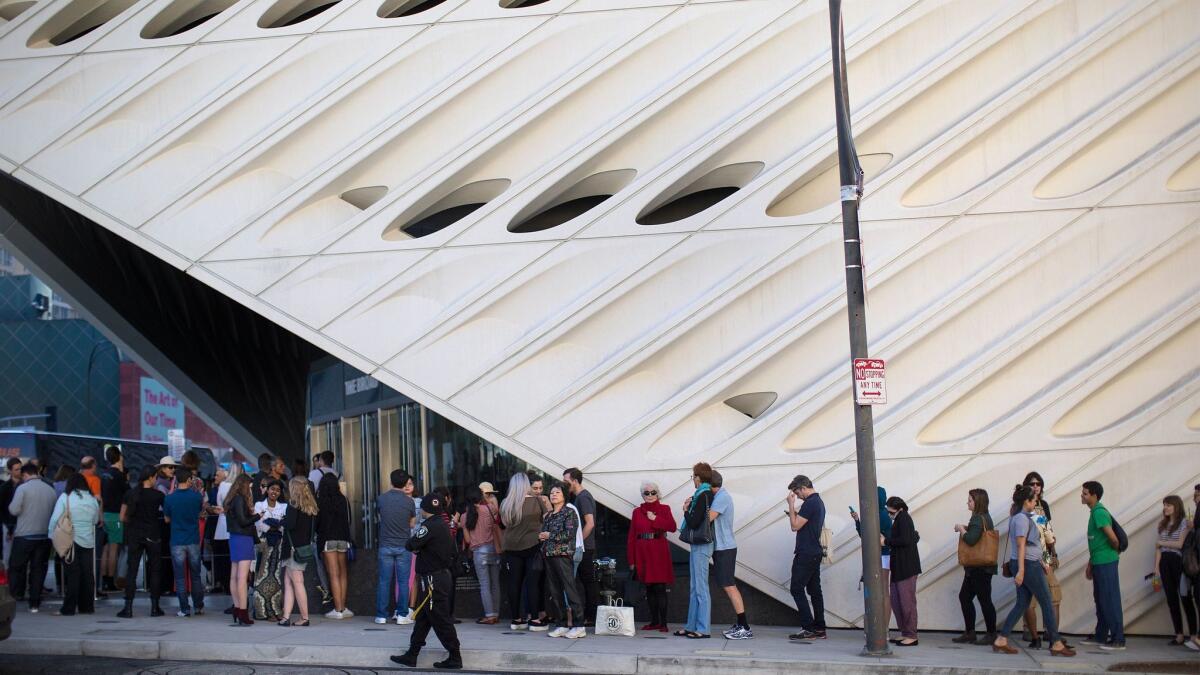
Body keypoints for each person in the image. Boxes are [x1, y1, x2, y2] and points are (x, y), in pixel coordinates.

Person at [992, 484, 1075, 657]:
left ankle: (1001, 640)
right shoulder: (1021, 519)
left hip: (1031, 563)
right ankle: (1057, 643)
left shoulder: (1030, 517)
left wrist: (1044, 562)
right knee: (1046, 601)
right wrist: (1021, 571)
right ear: (1027, 501)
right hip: (1028, 565)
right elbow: (1021, 545)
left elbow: (1039, 543)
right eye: (1034, 500)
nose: (1036, 501)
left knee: (1022, 603)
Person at [390, 493, 462, 670]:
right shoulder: (442, 524)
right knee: (423, 618)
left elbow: (411, 544)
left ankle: (455, 656)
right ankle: (412, 654)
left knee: (440, 619)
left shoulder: (429, 526)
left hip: (432, 580)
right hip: (437, 577)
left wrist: (418, 549)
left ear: (425, 508)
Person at [47, 473, 101, 615]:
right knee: (88, 574)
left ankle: (69, 608)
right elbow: (95, 520)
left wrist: (51, 535)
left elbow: (55, 519)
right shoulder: (92, 499)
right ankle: (87, 607)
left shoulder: (66, 498)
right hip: (88, 541)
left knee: (73, 575)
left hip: (70, 540)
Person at [1018, 471, 1061, 649]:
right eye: (1032, 484)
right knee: (1029, 598)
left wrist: (1053, 553)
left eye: (1038, 484)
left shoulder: (1043, 505)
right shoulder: (1020, 507)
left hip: (1043, 554)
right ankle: (1031, 632)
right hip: (1029, 556)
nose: (1036, 487)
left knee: (1054, 594)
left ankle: (1051, 633)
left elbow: (1048, 532)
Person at [499, 472, 546, 631]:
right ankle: (534, 620)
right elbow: (546, 521)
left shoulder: (505, 503)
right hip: (533, 545)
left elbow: (504, 524)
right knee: (532, 584)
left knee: (514, 583)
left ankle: (516, 620)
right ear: (526, 485)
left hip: (511, 548)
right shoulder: (537, 501)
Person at [1080, 481, 1124, 650]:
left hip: (1106, 562)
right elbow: (1096, 542)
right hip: (1098, 561)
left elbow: (1113, 539)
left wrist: (1113, 553)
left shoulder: (1099, 513)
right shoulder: (1094, 512)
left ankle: (1118, 639)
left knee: (1110, 599)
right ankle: (1101, 635)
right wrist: (1091, 563)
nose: (1082, 496)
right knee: (1101, 600)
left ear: (1094, 496)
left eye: (1085, 493)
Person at [627, 479, 675, 633]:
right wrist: (631, 560)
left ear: (658, 494)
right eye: (646, 493)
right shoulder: (636, 512)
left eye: (653, 492)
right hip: (642, 553)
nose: (650, 495)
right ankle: (654, 621)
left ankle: (663, 623)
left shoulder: (664, 509)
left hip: (659, 552)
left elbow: (672, 527)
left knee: (660, 587)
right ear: (643, 495)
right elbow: (632, 537)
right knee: (649, 588)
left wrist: (655, 519)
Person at [7, 462, 56, 613]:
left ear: (25, 474)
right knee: (38, 570)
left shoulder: (22, 489)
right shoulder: (50, 490)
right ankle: (34, 603)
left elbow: (14, 510)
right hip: (44, 536)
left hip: (24, 535)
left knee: (16, 568)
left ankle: (14, 597)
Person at [707, 471, 750, 640]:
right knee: (727, 585)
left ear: (710, 485)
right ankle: (741, 624)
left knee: (729, 585)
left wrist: (691, 508)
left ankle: (744, 626)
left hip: (725, 548)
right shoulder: (718, 497)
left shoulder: (722, 497)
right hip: (721, 548)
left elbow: (709, 517)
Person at [540, 483, 586, 639]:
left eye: (557, 492)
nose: (553, 495)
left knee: (570, 589)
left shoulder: (569, 512)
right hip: (549, 555)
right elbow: (544, 533)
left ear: (564, 495)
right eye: (552, 492)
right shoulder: (549, 515)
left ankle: (579, 625)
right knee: (555, 591)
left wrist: (549, 535)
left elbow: (569, 534)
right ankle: (561, 624)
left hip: (563, 555)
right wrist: (542, 536)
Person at [118, 466, 165, 618]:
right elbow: (165, 516)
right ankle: (155, 607)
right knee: (155, 571)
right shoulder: (158, 495)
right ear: (151, 477)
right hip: (153, 534)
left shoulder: (130, 493)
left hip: (135, 534)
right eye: (156, 477)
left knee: (132, 571)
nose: (156, 480)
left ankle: (128, 607)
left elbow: (122, 517)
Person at [953, 488, 996, 645]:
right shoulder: (983, 517)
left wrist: (961, 528)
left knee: (984, 600)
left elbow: (971, 540)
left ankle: (991, 633)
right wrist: (966, 527)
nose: (968, 502)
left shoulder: (978, 518)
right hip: (976, 568)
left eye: (970, 500)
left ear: (977, 502)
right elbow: (976, 534)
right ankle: (970, 632)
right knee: (965, 597)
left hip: (980, 568)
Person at [786, 474, 826, 641]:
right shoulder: (818, 502)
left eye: (797, 492)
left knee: (796, 588)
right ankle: (819, 627)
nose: (797, 496)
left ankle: (808, 627)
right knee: (814, 590)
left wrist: (791, 505)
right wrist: (795, 513)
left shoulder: (810, 503)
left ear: (803, 488)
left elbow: (795, 527)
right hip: (814, 551)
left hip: (806, 552)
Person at [678, 462, 715, 640]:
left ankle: (703, 628)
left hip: (701, 545)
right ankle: (691, 626)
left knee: (700, 588)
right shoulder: (702, 495)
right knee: (695, 587)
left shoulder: (704, 495)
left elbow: (694, 522)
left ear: (698, 478)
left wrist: (686, 510)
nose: (692, 479)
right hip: (698, 545)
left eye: (693, 476)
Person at [163, 468, 205, 616]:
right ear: (189, 480)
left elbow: (167, 519)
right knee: (195, 575)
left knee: (180, 577)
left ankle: (184, 608)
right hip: (193, 539)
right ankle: (198, 606)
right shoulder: (197, 497)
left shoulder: (169, 498)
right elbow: (199, 512)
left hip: (177, 540)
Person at [377, 470, 418, 625]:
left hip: (385, 545)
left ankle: (381, 615)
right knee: (403, 581)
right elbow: (412, 523)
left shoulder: (381, 499)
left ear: (391, 481)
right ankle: (402, 615)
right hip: (403, 546)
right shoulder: (409, 502)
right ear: (404, 483)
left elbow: (381, 518)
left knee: (383, 581)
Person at [851, 486, 892, 633]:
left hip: (879, 557)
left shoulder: (877, 515)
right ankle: (883, 627)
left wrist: (857, 522)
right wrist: (858, 520)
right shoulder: (884, 514)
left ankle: (880, 628)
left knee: (880, 592)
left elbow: (866, 535)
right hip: (885, 556)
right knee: (884, 592)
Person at [1156, 495, 1195, 646]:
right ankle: (1178, 634)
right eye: (1164, 504)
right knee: (1171, 600)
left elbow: (1179, 544)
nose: (1165, 507)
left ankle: (1192, 635)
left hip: (1178, 562)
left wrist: (1161, 543)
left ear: (1176, 506)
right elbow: (1158, 549)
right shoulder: (1162, 524)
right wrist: (1156, 567)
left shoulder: (1185, 523)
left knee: (1185, 598)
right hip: (1164, 562)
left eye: (1169, 505)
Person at [562, 467, 598, 626]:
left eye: (566, 481)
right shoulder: (579, 497)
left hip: (584, 548)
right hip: (584, 547)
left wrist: (579, 543)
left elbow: (590, 524)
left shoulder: (582, 498)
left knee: (587, 582)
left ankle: (590, 616)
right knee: (586, 582)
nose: (564, 484)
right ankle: (588, 616)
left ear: (575, 481)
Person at [279, 476, 317, 626]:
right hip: (303, 548)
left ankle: (304, 617)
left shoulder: (293, 505)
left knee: (297, 582)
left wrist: (281, 520)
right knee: (288, 582)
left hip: (292, 549)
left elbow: (290, 524)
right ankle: (286, 617)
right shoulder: (311, 507)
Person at [224, 473, 261, 626]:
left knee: (234, 576)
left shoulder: (231, 499)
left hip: (234, 538)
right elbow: (244, 521)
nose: (251, 490)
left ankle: (237, 608)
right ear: (244, 485)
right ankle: (243, 612)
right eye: (250, 487)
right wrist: (258, 516)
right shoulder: (240, 499)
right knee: (242, 578)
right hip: (243, 538)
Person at [883, 496, 921, 646]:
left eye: (890, 511)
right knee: (896, 601)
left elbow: (905, 540)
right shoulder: (900, 519)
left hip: (906, 567)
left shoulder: (904, 518)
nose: (888, 514)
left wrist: (886, 541)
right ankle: (905, 632)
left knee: (907, 602)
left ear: (899, 509)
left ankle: (912, 634)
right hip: (899, 567)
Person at [316, 472, 353, 619]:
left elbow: (318, 524)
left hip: (327, 540)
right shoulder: (343, 499)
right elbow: (348, 521)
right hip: (343, 539)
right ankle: (343, 607)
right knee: (343, 573)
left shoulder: (321, 501)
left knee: (333, 574)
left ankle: (337, 610)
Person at [464, 485, 502, 625]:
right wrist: (489, 499)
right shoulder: (490, 509)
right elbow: (497, 519)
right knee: (495, 584)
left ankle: (489, 615)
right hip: (493, 549)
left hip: (479, 552)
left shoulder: (466, 515)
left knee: (484, 584)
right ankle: (496, 614)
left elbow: (467, 540)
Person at [253, 478, 288, 621]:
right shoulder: (259, 505)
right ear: (267, 490)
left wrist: (271, 524)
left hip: (278, 546)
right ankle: (262, 611)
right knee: (261, 577)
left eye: (278, 490)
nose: (274, 492)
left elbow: (284, 526)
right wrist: (275, 526)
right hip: (263, 545)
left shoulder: (284, 507)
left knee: (276, 578)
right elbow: (258, 525)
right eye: (272, 489)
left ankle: (275, 609)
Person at [98, 445, 126, 593]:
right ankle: (110, 581)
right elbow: (126, 494)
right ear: (119, 457)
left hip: (105, 514)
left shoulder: (103, 475)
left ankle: (103, 580)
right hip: (116, 514)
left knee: (105, 550)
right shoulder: (119, 475)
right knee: (114, 549)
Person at [213, 463, 242, 599]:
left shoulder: (223, 485)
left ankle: (226, 586)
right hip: (235, 526)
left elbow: (219, 504)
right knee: (234, 562)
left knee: (224, 559)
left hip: (222, 525)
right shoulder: (239, 487)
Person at [1, 457, 23, 565]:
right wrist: (8, 527)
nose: (19, 471)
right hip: (8, 524)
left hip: (23, 523)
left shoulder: (25, 485)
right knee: (8, 553)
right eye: (16, 469)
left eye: (20, 469)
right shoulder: (5, 488)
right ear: (10, 471)